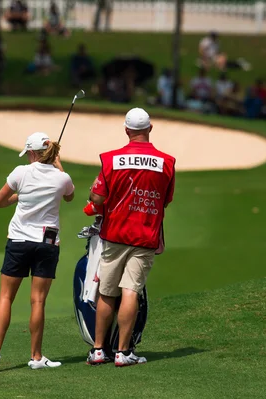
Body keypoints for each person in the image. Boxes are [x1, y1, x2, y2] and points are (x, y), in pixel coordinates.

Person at [0, 132, 75, 370]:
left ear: (31, 152)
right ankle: (36, 357)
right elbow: (69, 197)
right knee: (38, 301)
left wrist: (18, 198)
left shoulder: (20, 173)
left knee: (6, 297)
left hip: (19, 241)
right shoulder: (63, 178)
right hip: (47, 244)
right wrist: (58, 164)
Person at [86, 108, 176, 367]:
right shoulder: (167, 162)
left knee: (106, 291)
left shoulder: (110, 159)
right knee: (130, 291)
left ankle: (98, 350)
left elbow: (98, 198)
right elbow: (166, 200)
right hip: (145, 235)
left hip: (114, 233)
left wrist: (93, 196)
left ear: (126, 130)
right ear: (150, 128)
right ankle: (123, 353)